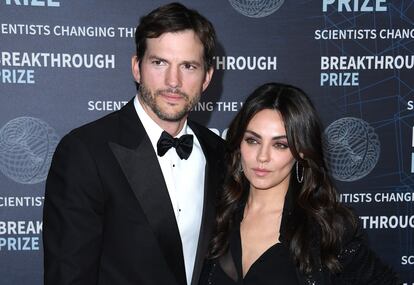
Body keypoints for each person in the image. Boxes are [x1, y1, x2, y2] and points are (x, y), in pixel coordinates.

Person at [43, 3, 225, 285]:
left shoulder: (220, 152)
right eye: (159, 62)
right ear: (136, 68)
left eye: (188, 66)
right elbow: (70, 276)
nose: (173, 81)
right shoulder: (85, 152)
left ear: (207, 78)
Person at [200, 83, 399, 284]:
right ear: (238, 143)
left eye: (280, 145)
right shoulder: (215, 212)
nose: (262, 156)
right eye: (253, 140)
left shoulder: (326, 229)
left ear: (301, 151)